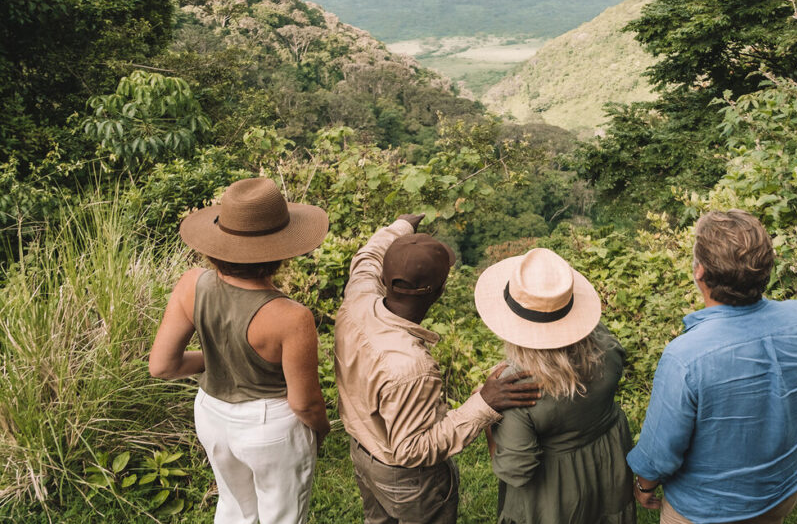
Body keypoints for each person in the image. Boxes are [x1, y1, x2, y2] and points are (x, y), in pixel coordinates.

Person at [627, 209, 797, 524]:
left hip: (706, 510)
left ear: (699, 271)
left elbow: (661, 452)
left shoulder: (686, 357)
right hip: (782, 492)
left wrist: (645, 485)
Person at [334, 213, 541, 524]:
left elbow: (368, 256)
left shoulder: (357, 298)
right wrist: (482, 405)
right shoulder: (412, 366)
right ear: (439, 290)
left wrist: (401, 227)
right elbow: (411, 449)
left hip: (364, 453)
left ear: (386, 278)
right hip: (406, 481)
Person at [149, 177, 331, 524]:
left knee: (233, 508)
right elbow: (304, 402)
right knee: (282, 515)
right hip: (270, 426)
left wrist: (221, 357)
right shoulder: (292, 317)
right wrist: (320, 430)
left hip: (212, 414)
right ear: (280, 249)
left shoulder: (191, 284)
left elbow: (162, 366)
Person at [475, 247, 636, 524]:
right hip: (608, 469)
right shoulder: (605, 347)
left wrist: (489, 420)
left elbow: (516, 469)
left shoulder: (515, 389)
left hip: (554, 496)